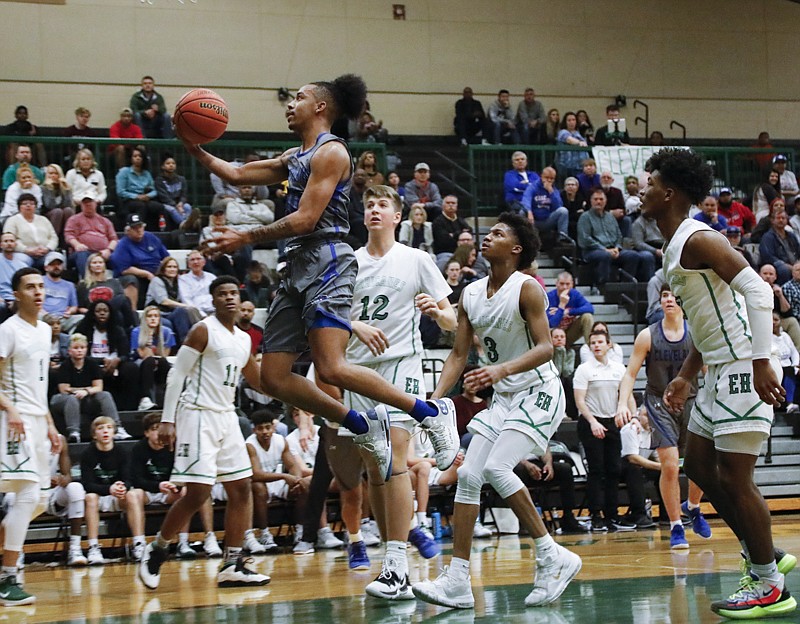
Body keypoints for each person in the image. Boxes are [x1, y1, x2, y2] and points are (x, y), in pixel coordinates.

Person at [184, 74, 458, 490]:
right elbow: (237, 174)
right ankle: (357, 422)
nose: (289, 104)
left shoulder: (332, 153)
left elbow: (307, 219)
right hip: (295, 264)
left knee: (331, 366)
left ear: (320, 107)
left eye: (298, 98)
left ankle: (428, 412)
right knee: (274, 377)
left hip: (327, 257)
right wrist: (193, 144)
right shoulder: (297, 154)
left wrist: (247, 237)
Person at [645, 147, 797, 619]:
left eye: (649, 183)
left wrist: (760, 361)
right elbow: (707, 316)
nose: (642, 190)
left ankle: (769, 583)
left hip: (741, 365)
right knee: (701, 468)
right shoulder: (675, 247)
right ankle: (764, 556)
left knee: (735, 476)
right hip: (715, 368)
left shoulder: (697, 238)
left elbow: (756, 289)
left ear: (668, 192)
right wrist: (686, 376)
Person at [413, 212, 582, 610]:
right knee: (468, 474)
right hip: (505, 397)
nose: (488, 237)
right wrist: (435, 402)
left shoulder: (528, 289)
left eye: (499, 234)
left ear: (516, 248)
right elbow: (458, 354)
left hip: (540, 391)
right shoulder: (471, 293)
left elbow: (547, 348)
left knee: (496, 469)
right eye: (489, 233)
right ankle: (456, 581)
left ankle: (551, 554)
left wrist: (498, 370)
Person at [337, 184, 456, 597]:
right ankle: (397, 565)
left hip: (402, 363)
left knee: (396, 459)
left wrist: (437, 312)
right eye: (368, 204)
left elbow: (453, 321)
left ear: (397, 216)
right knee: (375, 469)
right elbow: (329, 317)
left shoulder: (417, 259)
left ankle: (395, 564)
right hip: (357, 371)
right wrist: (355, 326)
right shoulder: (348, 263)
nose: (373, 210)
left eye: (382, 205)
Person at [138, 277, 271, 590]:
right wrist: (167, 419)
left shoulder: (242, 339)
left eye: (232, 294)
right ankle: (157, 549)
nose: (228, 298)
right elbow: (177, 374)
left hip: (226, 416)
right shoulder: (203, 330)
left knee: (241, 489)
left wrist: (299, 390)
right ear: (213, 300)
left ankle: (233, 563)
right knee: (198, 493)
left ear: (240, 300)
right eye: (221, 294)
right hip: (197, 415)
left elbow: (258, 380)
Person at [615, 285, 711, 549]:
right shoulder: (647, 335)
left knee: (698, 466)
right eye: (664, 296)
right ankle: (676, 526)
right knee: (669, 465)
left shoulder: (696, 333)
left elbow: (708, 373)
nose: (668, 300)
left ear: (683, 301)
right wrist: (623, 404)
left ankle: (692, 506)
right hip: (658, 402)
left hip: (691, 401)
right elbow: (630, 374)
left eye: (673, 296)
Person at [0, 267, 61, 605]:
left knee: (39, 499)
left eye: (41, 286)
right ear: (16, 294)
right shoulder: (8, 331)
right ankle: (9, 578)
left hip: (37, 421)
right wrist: (10, 410)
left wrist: (50, 424)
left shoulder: (42, 332)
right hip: (13, 420)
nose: (38, 292)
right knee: (25, 493)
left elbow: (39, 386)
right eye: (29, 287)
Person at [131, 412, 221, 560]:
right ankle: (139, 544)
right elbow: (136, 479)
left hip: (170, 491)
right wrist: (158, 485)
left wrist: (175, 485)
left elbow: (184, 473)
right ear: (146, 433)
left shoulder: (176, 447)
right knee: (133, 494)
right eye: (154, 429)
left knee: (191, 491)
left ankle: (183, 543)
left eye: (161, 428)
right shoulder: (138, 449)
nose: (159, 433)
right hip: (149, 490)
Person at [574, 329, 637, 532]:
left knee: (614, 470)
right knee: (597, 470)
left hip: (613, 422)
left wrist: (633, 416)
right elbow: (579, 401)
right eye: (593, 343)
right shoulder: (584, 369)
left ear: (609, 344)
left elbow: (627, 395)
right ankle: (595, 515)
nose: (597, 345)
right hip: (590, 422)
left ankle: (612, 515)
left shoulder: (619, 368)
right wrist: (593, 422)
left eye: (600, 342)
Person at [80, 416, 145, 564]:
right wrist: (109, 488)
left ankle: (139, 544)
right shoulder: (87, 454)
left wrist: (123, 487)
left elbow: (129, 479)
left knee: (133, 495)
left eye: (109, 428)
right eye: (101, 428)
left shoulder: (122, 452)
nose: (105, 431)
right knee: (90, 497)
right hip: (99, 496)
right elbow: (87, 484)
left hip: (116, 496)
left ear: (114, 432)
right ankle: (93, 547)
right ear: (94, 434)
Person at [244, 409, 308, 555]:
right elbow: (256, 474)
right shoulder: (250, 445)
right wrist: (284, 477)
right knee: (258, 487)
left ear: (274, 427)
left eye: (268, 427)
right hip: (262, 482)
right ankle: (265, 534)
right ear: (254, 430)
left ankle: (300, 532)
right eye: (260, 428)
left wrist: (297, 480)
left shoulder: (280, 440)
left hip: (276, 481)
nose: (265, 432)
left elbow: (293, 466)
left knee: (303, 485)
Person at [50, 333, 126, 443]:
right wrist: (85, 389)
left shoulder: (92, 364)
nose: (79, 350)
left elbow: (99, 387)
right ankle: (74, 433)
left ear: (86, 349)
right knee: (72, 398)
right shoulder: (65, 365)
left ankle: (118, 428)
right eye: (76, 348)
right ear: (69, 350)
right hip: (63, 399)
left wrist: (85, 391)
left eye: (82, 348)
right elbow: (64, 389)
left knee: (105, 395)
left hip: (85, 397)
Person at [577, 188, 655, 290]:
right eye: (595, 199)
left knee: (633, 255)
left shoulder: (610, 217)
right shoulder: (585, 217)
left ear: (605, 201)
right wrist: (605, 250)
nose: (598, 201)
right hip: (593, 251)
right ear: (591, 201)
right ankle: (603, 287)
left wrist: (617, 248)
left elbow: (619, 235)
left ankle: (625, 286)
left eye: (601, 199)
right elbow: (585, 239)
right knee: (604, 256)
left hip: (613, 249)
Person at [74, 300, 139, 412]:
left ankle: (129, 408)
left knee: (131, 368)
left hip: (114, 364)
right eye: (98, 311)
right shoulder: (83, 329)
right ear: (92, 314)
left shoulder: (118, 330)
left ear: (110, 313)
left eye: (105, 311)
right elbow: (78, 352)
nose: (102, 313)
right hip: (91, 364)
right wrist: (100, 360)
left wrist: (117, 360)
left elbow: (126, 354)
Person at [110, 214, 169, 310]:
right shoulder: (123, 245)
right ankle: (133, 312)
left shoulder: (151, 237)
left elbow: (166, 257)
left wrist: (164, 269)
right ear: (128, 230)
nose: (139, 230)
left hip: (157, 272)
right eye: (135, 228)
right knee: (131, 279)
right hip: (138, 276)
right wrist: (147, 274)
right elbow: (125, 269)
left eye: (140, 226)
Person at [145, 256, 201, 345]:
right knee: (170, 322)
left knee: (182, 313)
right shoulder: (157, 280)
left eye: (175, 267)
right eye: (169, 267)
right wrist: (186, 305)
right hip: (158, 314)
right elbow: (163, 301)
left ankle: (186, 343)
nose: (172, 269)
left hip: (172, 313)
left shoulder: (178, 282)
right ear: (163, 269)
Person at [76, 252, 136, 332]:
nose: (98, 265)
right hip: (94, 312)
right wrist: (91, 311)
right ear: (89, 266)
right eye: (94, 263)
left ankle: (135, 328)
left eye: (100, 262)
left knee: (124, 299)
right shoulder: (83, 285)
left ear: (104, 265)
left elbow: (122, 301)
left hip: (112, 311)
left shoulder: (114, 282)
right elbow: (80, 307)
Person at [65, 190, 119, 278]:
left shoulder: (105, 221)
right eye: (85, 202)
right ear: (81, 205)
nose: (88, 204)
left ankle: (117, 283)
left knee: (119, 256)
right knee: (81, 254)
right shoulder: (74, 219)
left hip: (103, 253)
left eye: (90, 201)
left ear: (96, 203)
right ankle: (87, 282)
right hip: (84, 252)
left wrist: (109, 250)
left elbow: (114, 239)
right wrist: (77, 244)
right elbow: (68, 235)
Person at [130, 306, 175, 411]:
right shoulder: (137, 332)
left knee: (163, 362)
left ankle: (165, 399)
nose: (153, 319)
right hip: (141, 362)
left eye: (156, 316)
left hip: (159, 361)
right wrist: (148, 339)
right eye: (150, 316)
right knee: (149, 361)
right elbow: (143, 354)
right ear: (145, 319)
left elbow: (164, 355)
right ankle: (145, 399)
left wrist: (159, 339)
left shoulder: (167, 332)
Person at [4, 193, 58, 269]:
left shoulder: (43, 219)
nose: (28, 205)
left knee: (57, 257)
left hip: (45, 253)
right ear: (19, 207)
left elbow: (53, 237)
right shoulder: (12, 220)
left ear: (35, 207)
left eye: (32, 204)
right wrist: (27, 250)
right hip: (23, 253)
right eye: (25, 204)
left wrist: (47, 248)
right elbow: (9, 239)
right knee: (20, 260)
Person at [115, 147, 164, 230]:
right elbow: (120, 191)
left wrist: (148, 196)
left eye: (140, 156)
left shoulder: (146, 173)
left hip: (145, 198)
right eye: (135, 156)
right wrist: (136, 196)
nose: (138, 158)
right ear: (131, 158)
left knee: (159, 206)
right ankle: (138, 229)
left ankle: (161, 230)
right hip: (128, 200)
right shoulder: (124, 172)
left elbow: (154, 190)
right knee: (140, 206)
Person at [547, 271, 594, 347]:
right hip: (553, 337)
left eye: (568, 284)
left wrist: (568, 311)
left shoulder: (575, 295)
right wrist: (561, 307)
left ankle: (591, 348)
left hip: (569, 334)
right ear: (556, 284)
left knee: (587, 317)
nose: (565, 287)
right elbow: (551, 324)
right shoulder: (549, 297)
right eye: (562, 284)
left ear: (572, 284)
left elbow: (590, 308)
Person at [521, 167, 570, 239]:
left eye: (552, 178)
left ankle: (562, 239)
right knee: (522, 212)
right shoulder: (533, 187)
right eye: (546, 177)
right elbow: (526, 199)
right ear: (541, 176)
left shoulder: (553, 189)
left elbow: (558, 205)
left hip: (547, 219)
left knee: (563, 211)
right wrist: (529, 211)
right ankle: (522, 239)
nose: (549, 180)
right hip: (533, 220)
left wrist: (551, 192)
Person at [42, 251, 82, 332]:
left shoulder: (69, 285)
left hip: (62, 318)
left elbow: (74, 306)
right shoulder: (39, 281)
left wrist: (70, 312)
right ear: (46, 267)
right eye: (52, 264)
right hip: (44, 317)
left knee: (82, 319)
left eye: (59, 264)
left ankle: (70, 342)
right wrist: (45, 314)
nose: (56, 267)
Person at [760, 205, 800, 285]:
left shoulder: (791, 235)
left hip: (794, 264)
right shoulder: (768, 237)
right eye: (778, 218)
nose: (781, 220)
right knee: (784, 270)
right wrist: (786, 265)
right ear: (772, 220)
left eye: (783, 218)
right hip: (779, 265)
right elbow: (768, 256)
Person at [155, 155, 196, 230]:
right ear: (163, 167)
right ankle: (185, 225)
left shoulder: (181, 179)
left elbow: (184, 194)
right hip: (166, 204)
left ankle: (186, 223)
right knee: (172, 210)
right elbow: (163, 197)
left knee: (187, 207)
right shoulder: (159, 180)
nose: (171, 165)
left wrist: (181, 203)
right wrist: (176, 205)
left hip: (179, 203)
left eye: (173, 163)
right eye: (168, 163)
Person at [772, 311, 799, 413]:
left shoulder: (785, 336)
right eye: (771, 320)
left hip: (788, 365)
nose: (773, 323)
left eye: (776, 320)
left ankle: (790, 403)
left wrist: (795, 364)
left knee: (790, 371)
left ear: (780, 322)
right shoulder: (767, 337)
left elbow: (794, 352)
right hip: (775, 365)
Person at [40, 163, 74, 239]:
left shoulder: (64, 187)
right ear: (47, 175)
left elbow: (68, 205)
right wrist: (50, 189)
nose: (53, 175)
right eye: (50, 173)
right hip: (48, 215)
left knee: (68, 210)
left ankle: (68, 239)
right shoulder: (43, 188)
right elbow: (49, 205)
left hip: (62, 215)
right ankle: (53, 239)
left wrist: (66, 190)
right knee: (57, 211)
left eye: (56, 173)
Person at [178, 251, 216, 317]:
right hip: (196, 313)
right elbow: (186, 300)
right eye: (192, 260)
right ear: (188, 264)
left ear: (204, 262)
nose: (196, 262)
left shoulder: (211, 277)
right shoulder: (183, 279)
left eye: (198, 259)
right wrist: (201, 314)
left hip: (214, 310)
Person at [0, 233, 27, 323]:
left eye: (11, 241)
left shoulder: (22, 265)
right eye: (6, 241)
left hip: (16, 298)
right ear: (1, 244)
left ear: (15, 244)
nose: (9, 243)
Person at [555, 112, 589, 179]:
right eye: (569, 120)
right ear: (565, 122)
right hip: (567, 167)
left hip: (580, 166)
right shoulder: (562, 132)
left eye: (573, 120)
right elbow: (569, 140)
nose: (571, 122)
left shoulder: (578, 133)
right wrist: (579, 143)